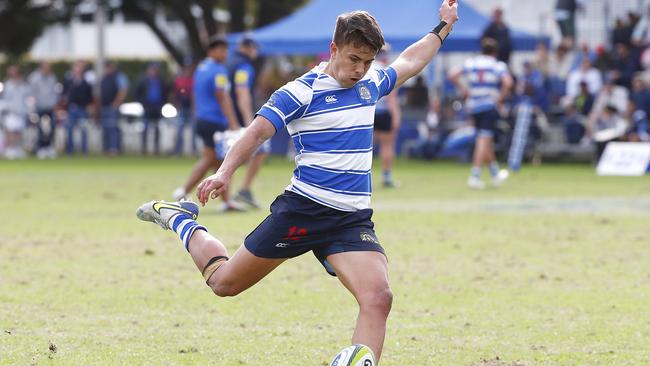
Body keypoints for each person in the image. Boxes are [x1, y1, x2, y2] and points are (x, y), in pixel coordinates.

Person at [136, 2, 459, 362]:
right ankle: (181, 220)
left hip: (350, 220)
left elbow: (412, 60)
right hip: (302, 212)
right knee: (224, 283)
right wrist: (224, 172)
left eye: (367, 61)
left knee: (379, 297)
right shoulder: (300, 92)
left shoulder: (372, 82)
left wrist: (443, 27)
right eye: (354, 58)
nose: (360, 69)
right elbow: (256, 132)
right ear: (333, 48)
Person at [172, 35, 241, 210]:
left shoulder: (201, 69)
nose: (225, 53)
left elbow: (195, 95)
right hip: (214, 120)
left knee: (217, 161)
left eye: (226, 49)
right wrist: (233, 123)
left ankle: (226, 202)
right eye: (222, 49)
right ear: (212, 51)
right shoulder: (218, 70)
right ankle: (183, 191)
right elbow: (223, 97)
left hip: (202, 119)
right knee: (213, 159)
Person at [449, 37, 513, 189]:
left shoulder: (472, 63)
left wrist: (464, 89)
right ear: (495, 52)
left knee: (485, 140)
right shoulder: (497, 65)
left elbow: (452, 74)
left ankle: (494, 172)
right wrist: (500, 98)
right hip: (488, 106)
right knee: (483, 140)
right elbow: (508, 83)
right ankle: (475, 175)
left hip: (473, 106)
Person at [227, 37, 269, 208]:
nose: (256, 53)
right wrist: (248, 120)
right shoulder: (244, 66)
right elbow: (242, 92)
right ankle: (242, 191)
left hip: (227, 116)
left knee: (218, 156)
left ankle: (234, 195)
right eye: (254, 48)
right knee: (262, 149)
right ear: (248, 48)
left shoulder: (229, 62)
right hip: (237, 118)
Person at [373, 44, 402, 188]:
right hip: (384, 112)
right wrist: (396, 116)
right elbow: (392, 98)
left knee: (363, 148)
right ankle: (386, 177)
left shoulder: (365, 69)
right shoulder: (386, 70)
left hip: (367, 112)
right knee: (387, 146)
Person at [135, 62, 169, 155]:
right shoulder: (143, 80)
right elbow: (137, 93)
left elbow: (165, 93)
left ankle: (156, 149)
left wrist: (162, 104)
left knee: (157, 128)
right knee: (145, 127)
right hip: (147, 107)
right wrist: (142, 103)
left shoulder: (161, 80)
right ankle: (144, 149)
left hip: (157, 107)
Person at [61, 60, 93, 155]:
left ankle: (84, 150)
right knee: (70, 129)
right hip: (72, 108)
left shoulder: (87, 81)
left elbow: (89, 95)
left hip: (82, 108)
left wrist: (89, 106)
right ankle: (70, 150)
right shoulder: (69, 81)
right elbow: (65, 94)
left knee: (84, 129)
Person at [28, 62, 59, 159]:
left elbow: (55, 92)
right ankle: (41, 148)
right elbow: (31, 93)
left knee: (51, 128)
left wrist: (54, 104)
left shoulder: (52, 77)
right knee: (40, 129)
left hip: (50, 107)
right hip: (39, 108)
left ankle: (48, 147)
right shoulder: (34, 78)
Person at [98, 61, 128, 156]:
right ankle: (107, 149)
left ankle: (114, 149)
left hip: (112, 107)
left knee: (113, 129)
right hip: (104, 107)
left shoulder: (118, 77)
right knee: (106, 129)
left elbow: (122, 90)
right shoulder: (104, 78)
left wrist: (116, 103)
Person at [1, 65, 31, 160]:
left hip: (21, 111)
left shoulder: (23, 84)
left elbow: (27, 96)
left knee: (18, 131)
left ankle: (16, 148)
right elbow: (4, 98)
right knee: (11, 131)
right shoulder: (7, 84)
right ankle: (10, 149)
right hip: (10, 111)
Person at [172, 61, 196, 156]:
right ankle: (178, 151)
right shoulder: (179, 80)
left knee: (193, 132)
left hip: (190, 108)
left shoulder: (194, 80)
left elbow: (194, 95)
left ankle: (193, 151)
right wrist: (176, 105)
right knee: (179, 130)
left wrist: (194, 108)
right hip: (182, 107)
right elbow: (175, 94)